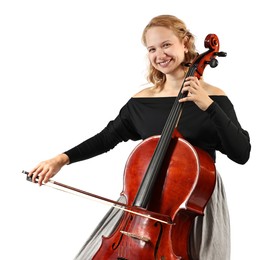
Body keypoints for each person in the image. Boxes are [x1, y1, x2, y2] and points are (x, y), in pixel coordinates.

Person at [28, 14, 251, 260]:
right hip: (140, 201)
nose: (160, 55)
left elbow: (241, 153)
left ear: (185, 43)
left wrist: (208, 106)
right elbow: (106, 138)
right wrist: (61, 159)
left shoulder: (214, 99)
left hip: (194, 204)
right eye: (152, 49)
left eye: (166, 45)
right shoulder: (142, 101)